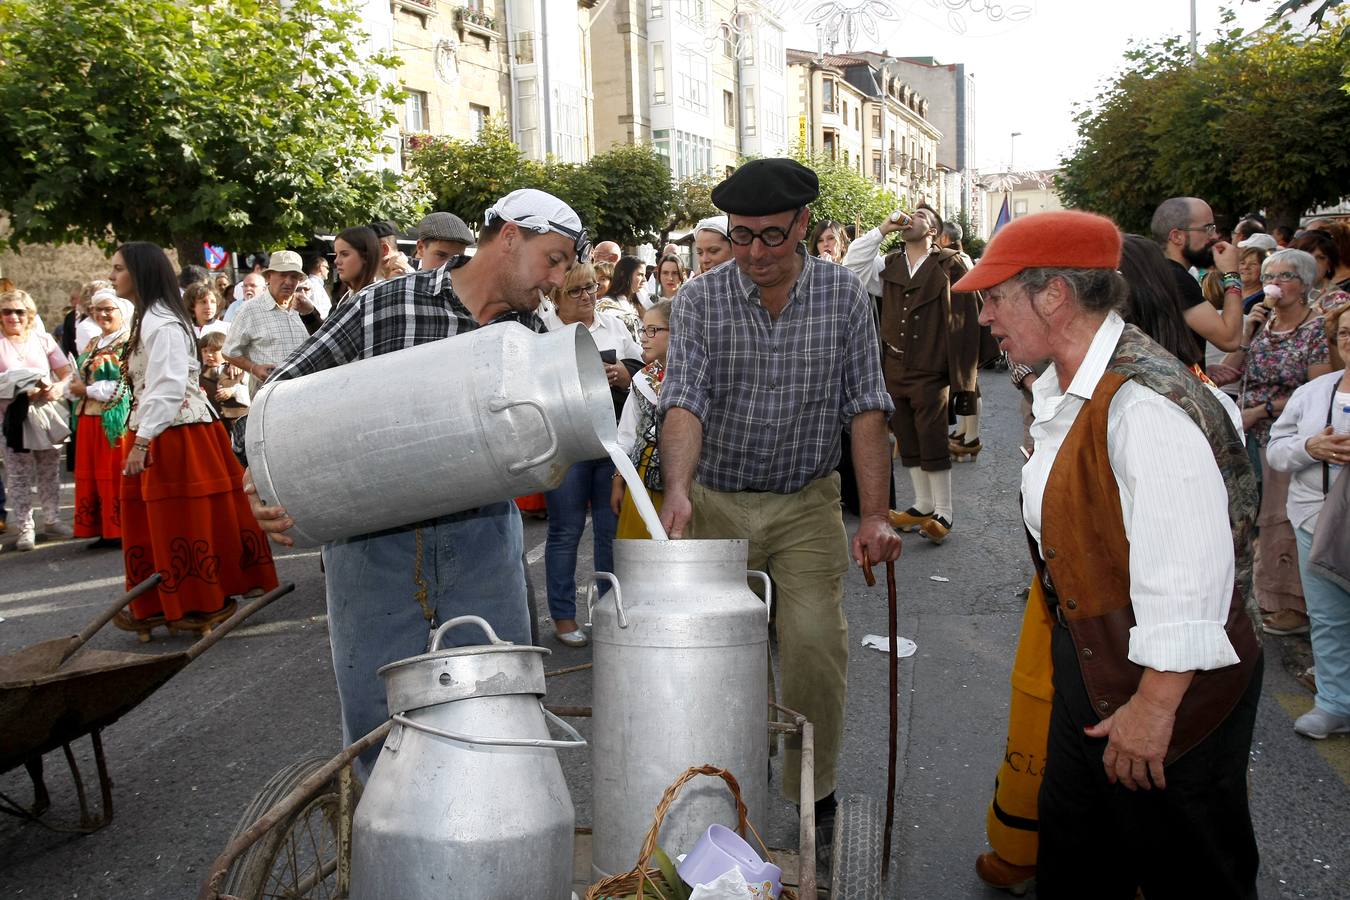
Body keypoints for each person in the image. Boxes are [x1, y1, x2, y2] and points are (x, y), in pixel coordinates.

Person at [966, 209, 1263, 899]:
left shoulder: (1142, 406)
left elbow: (1190, 579)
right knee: (1076, 858)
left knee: (1189, 872)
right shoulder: (1073, 389)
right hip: (1100, 673)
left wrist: (1154, 710)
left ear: (1054, 296)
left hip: (1169, 693)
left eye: (995, 296)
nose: (984, 317)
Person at [245, 188, 588, 778]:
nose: (557, 279)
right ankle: (390, 847)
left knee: (498, 705)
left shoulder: (529, 341)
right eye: (553, 259)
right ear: (509, 236)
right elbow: (282, 394)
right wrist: (255, 473)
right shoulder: (386, 304)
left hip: (482, 546)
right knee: (381, 721)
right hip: (373, 546)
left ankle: (493, 841)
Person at [657, 158, 901, 848]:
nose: (755, 254)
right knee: (716, 655)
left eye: (772, 236)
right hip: (716, 501)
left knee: (814, 644)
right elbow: (685, 400)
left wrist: (877, 515)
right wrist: (677, 490)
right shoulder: (701, 300)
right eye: (741, 237)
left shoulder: (843, 297)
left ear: (804, 226)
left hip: (805, 501)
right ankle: (722, 775)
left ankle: (810, 786)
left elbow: (866, 409)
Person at [108, 242, 278, 636]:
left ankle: (201, 602)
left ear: (139, 272)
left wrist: (142, 442)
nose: (113, 275)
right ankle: (158, 602)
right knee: (159, 522)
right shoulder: (149, 316)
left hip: (176, 434)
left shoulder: (162, 321)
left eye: (118, 268)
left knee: (183, 521)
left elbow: (167, 386)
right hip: (162, 428)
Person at [843, 204, 982, 542]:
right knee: (906, 434)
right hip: (895, 366)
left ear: (933, 230)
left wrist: (964, 379)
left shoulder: (950, 265)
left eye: (920, 216)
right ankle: (921, 504)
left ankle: (944, 512)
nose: (910, 218)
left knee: (932, 435)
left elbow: (966, 323)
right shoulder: (890, 264)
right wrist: (882, 229)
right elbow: (852, 264)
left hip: (931, 368)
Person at [1217, 248, 1333, 637]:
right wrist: (1247, 330)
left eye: (1285, 276)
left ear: (1304, 285)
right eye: (1271, 275)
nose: (1275, 283)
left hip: (1287, 433)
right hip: (1250, 433)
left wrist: (1263, 409)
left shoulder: (1316, 330)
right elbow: (1235, 368)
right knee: (1253, 514)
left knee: (1280, 518)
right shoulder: (1263, 323)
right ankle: (1262, 595)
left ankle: (1291, 605)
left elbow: (1315, 388)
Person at [538, 262, 643, 647]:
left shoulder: (613, 325)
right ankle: (564, 618)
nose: (588, 296)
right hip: (566, 444)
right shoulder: (544, 332)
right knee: (565, 530)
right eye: (577, 291)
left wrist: (622, 373)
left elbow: (640, 366)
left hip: (609, 440)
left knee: (609, 531)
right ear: (556, 297)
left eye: (591, 287)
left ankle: (608, 610)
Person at [1266, 303, 1350, 739]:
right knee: (1328, 617)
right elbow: (1277, 451)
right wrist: (1310, 449)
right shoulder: (1314, 393)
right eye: (1344, 334)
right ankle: (1334, 703)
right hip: (1313, 520)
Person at [0, 289, 73, 551]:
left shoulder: (43, 340)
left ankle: (52, 520)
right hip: (12, 417)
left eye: (19, 311)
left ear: (29, 314)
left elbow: (67, 374)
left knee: (48, 470)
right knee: (18, 474)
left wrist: (57, 388)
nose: (13, 317)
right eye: (6, 311)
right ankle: (25, 527)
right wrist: (16, 391)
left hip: (44, 413)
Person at [66, 289, 133, 549]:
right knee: (92, 474)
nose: (102, 314)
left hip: (112, 420)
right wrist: (74, 388)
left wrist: (88, 390)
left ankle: (118, 528)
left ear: (121, 312)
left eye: (108, 309)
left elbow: (123, 385)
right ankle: (103, 529)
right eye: (97, 309)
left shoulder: (127, 342)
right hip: (87, 418)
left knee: (111, 474)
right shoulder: (94, 342)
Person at [611, 300, 672, 540]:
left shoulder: (698, 375)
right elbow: (627, 435)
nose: (644, 338)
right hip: (644, 480)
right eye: (643, 330)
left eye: (653, 330)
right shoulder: (643, 379)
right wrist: (618, 479)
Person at [1150, 196, 1244, 352]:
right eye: (1208, 228)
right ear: (1177, 236)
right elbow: (1230, 340)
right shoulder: (1176, 279)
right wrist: (1232, 273)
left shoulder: (1156, 272)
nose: (1215, 237)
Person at [222, 250, 316, 395]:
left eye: (294, 276)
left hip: (305, 393)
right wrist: (254, 368)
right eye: (283, 275)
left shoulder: (305, 308)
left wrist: (311, 314)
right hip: (269, 397)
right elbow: (229, 351)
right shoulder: (250, 310)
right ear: (269, 277)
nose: (289, 281)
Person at [197, 331, 250, 458]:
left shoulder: (236, 369)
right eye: (205, 351)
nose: (209, 355)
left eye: (213, 351)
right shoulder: (199, 375)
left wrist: (233, 391)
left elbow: (251, 391)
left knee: (245, 451)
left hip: (239, 420)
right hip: (218, 423)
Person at [1291, 229, 1350, 313]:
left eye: (1320, 258)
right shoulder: (1285, 289)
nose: (1312, 262)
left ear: (1330, 264)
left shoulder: (1339, 300)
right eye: (1305, 256)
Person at [331, 225, 382, 312]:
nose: (336, 261)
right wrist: (309, 313)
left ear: (365, 257)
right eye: (336, 254)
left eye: (344, 254)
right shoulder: (345, 296)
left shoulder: (377, 300)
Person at [597, 255, 645, 340]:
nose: (644, 279)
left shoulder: (641, 302)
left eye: (644, 275)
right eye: (640, 275)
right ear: (623, 274)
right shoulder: (605, 304)